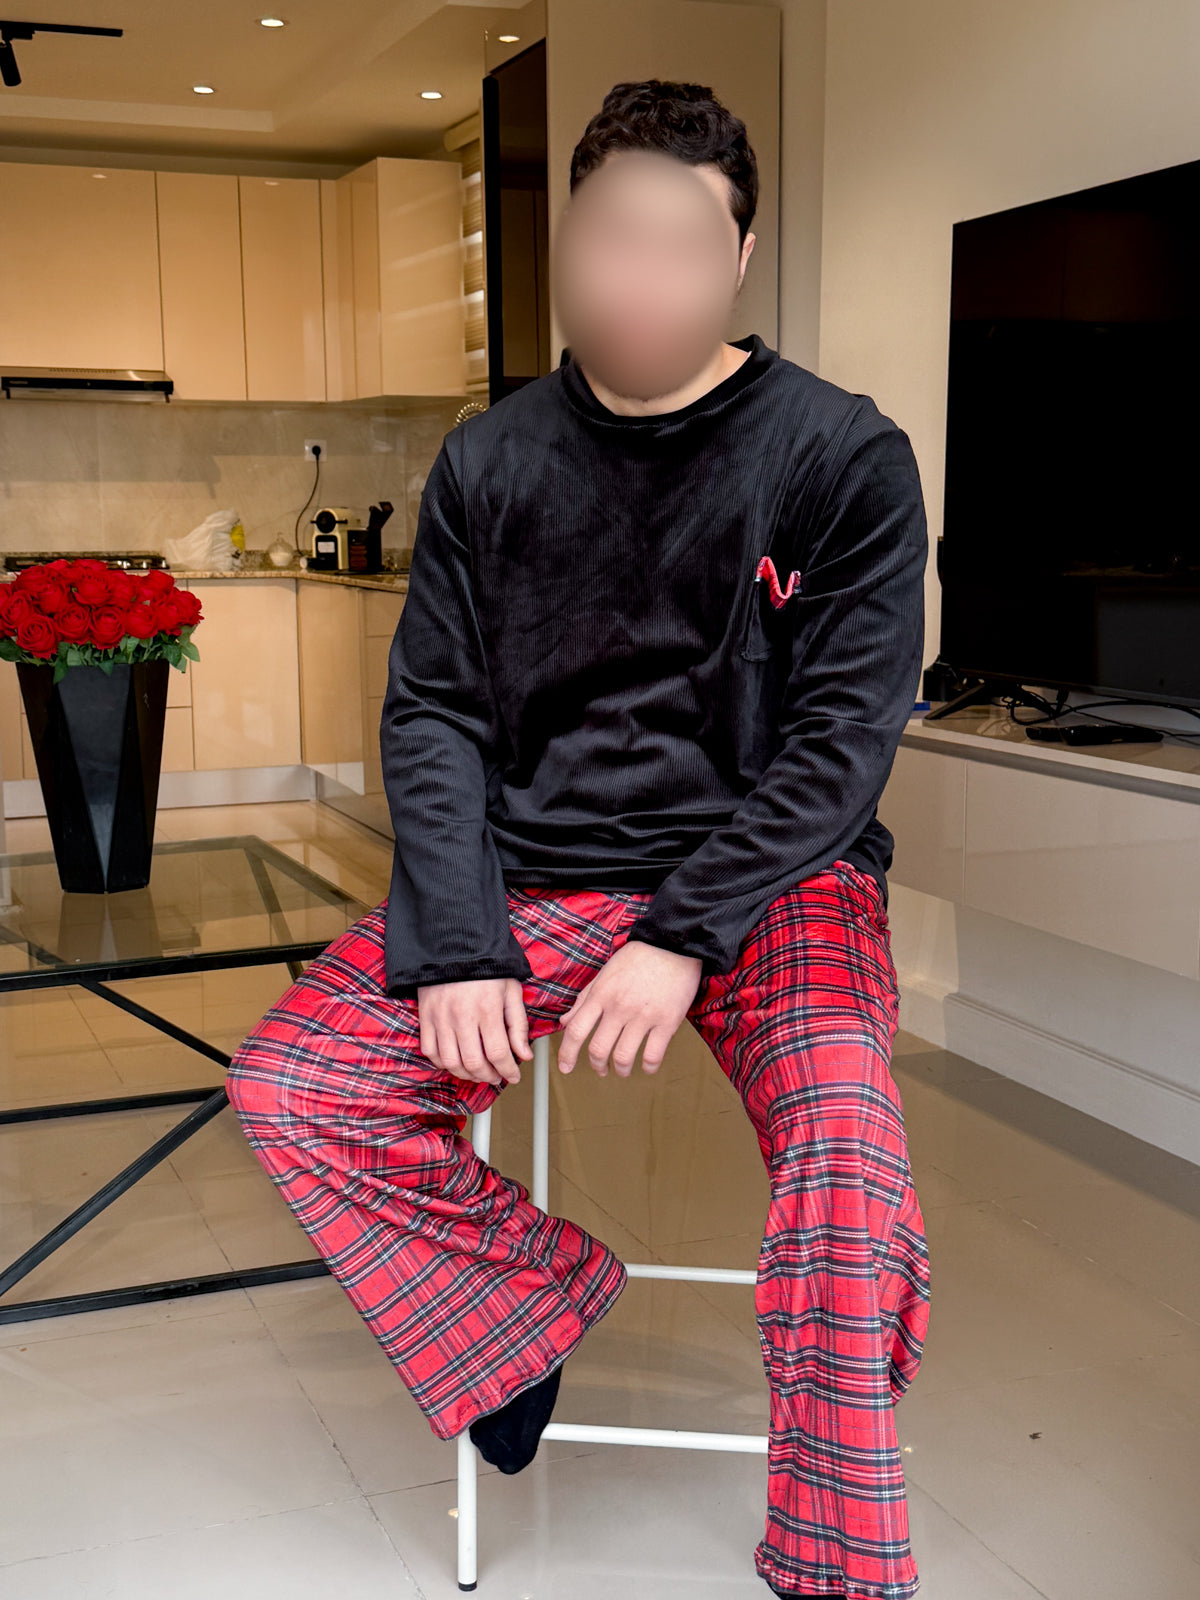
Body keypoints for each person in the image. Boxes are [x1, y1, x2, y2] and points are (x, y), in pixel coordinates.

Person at [226, 77, 931, 1600]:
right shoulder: (491, 460)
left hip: (773, 880)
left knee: (849, 1151)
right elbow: (434, 715)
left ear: (740, 257)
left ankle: (835, 1556)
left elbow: (843, 744)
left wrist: (681, 934)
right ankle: (529, 1302)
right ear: (566, 239)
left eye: (681, 244)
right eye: (612, 237)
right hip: (540, 873)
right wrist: (457, 936)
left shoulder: (841, 457)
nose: (640, 279)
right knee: (294, 1087)